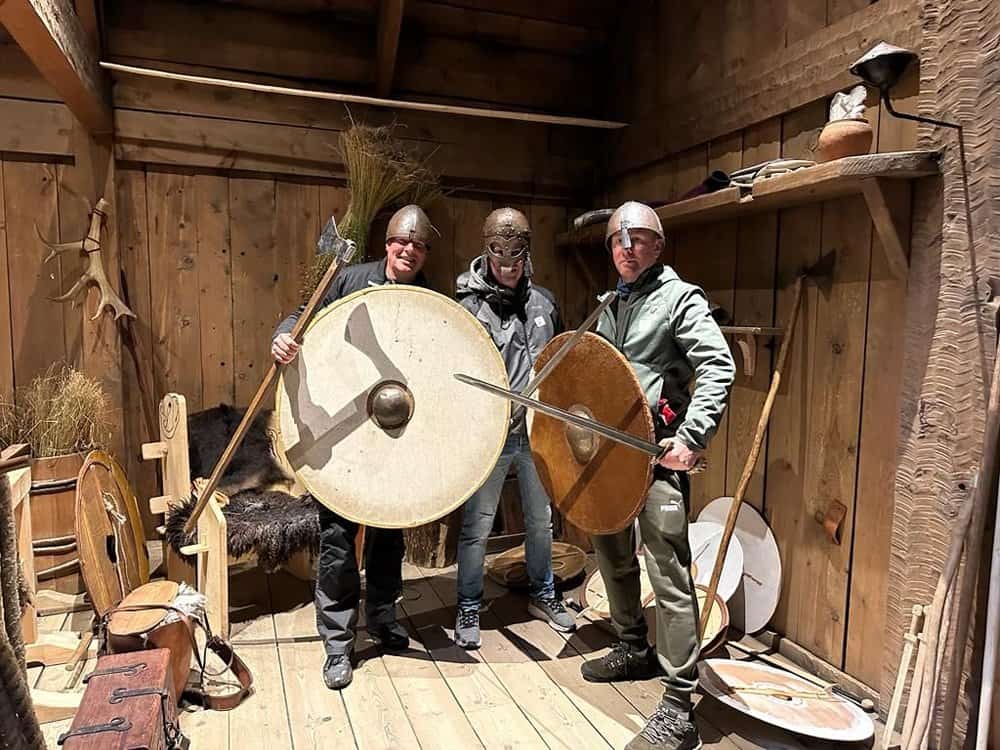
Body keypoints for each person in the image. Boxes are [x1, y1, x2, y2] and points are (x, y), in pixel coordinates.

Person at [580, 201, 735, 750]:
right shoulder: (607, 305)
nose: (625, 247)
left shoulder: (678, 299)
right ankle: (632, 647)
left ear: (657, 245)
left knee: (668, 570)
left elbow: (718, 364)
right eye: (617, 240)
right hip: (606, 457)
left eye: (637, 238)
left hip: (655, 457)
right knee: (610, 550)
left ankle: (678, 702)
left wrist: (691, 437)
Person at [271, 204, 437, 690]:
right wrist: (284, 336)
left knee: (389, 536)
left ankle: (383, 618)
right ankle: (338, 644)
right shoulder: (348, 279)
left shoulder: (429, 300)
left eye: (418, 246)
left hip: (392, 436)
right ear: (387, 244)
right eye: (400, 243)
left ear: (425, 252)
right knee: (340, 541)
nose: (408, 251)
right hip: (344, 432)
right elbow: (302, 315)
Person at [452, 207, 576, 649]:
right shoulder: (467, 307)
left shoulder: (543, 303)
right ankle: (468, 604)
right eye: (499, 257)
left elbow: (559, 363)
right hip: (490, 431)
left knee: (541, 520)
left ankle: (543, 594)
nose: (508, 266)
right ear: (486, 252)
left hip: (537, 431)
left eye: (516, 256)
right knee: (478, 523)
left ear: (528, 254)